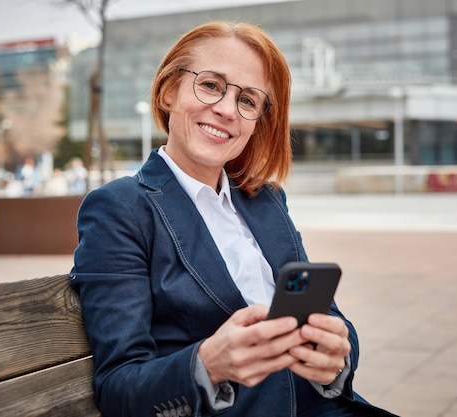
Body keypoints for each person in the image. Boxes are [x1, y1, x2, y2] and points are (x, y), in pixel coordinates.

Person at [70, 21, 398, 417]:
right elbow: (119, 389)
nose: (227, 109)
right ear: (168, 91)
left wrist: (335, 357)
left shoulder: (267, 200)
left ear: (257, 120)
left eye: (247, 100)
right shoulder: (119, 210)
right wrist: (207, 365)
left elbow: (328, 318)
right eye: (210, 85)